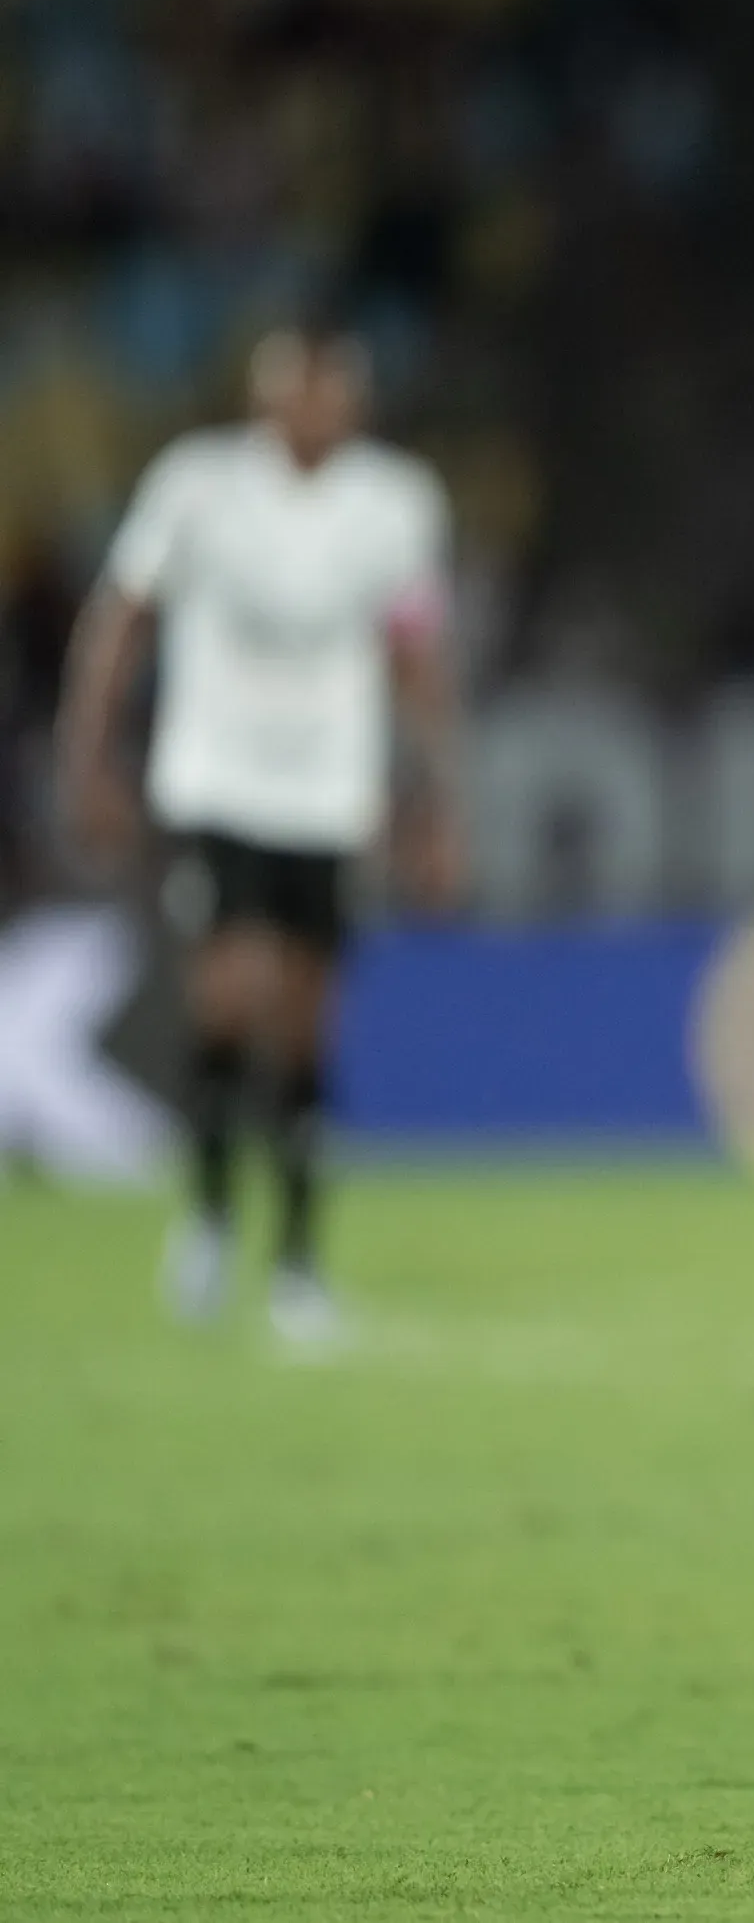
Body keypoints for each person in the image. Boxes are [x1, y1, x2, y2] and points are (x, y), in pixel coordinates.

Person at [55, 325, 466, 1351]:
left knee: (308, 1022)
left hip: (329, 791)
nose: (312, 407)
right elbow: (123, 617)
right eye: (294, 389)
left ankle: (296, 1262)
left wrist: (439, 799)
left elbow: (415, 653)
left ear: (353, 401)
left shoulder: (397, 504)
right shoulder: (196, 487)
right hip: (219, 779)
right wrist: (89, 757)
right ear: (264, 397)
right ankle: (205, 1216)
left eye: (331, 390)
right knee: (231, 989)